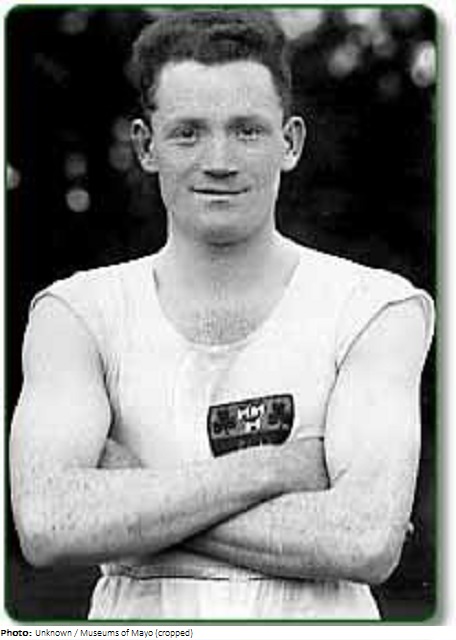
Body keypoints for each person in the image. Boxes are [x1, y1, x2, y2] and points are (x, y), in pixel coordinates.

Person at [10, 9, 434, 620]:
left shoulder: (374, 307)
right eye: (187, 133)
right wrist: (276, 468)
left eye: (247, 131)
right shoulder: (75, 314)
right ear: (145, 146)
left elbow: (365, 539)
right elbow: (49, 522)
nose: (219, 160)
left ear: (290, 142)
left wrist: (133, 501)